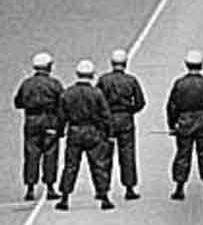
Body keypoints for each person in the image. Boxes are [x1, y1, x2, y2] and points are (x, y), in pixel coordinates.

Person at [55, 59, 114, 211]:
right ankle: (104, 196)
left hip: (74, 131)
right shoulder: (97, 93)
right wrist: (109, 133)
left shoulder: (68, 93)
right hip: (93, 131)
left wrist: (60, 131)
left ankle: (64, 197)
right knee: (98, 165)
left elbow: (61, 116)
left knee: (70, 166)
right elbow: (105, 115)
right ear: (92, 75)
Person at [165, 50, 203, 202]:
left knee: (183, 155)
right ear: (201, 65)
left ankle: (179, 187)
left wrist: (172, 124)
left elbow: (172, 106)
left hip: (184, 122)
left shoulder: (180, 84)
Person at [95, 48, 146, 201]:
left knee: (104, 156)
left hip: (108, 119)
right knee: (127, 154)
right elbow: (140, 102)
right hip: (125, 119)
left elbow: (97, 100)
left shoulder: (103, 80)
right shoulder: (131, 80)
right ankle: (129, 187)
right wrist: (130, 111)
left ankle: (103, 189)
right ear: (125, 63)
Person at [13, 51, 63, 202]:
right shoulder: (54, 84)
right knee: (50, 153)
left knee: (31, 153)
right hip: (49, 119)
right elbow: (62, 103)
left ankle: (30, 188)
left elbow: (18, 102)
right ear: (48, 67)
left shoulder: (27, 83)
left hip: (32, 120)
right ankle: (50, 187)